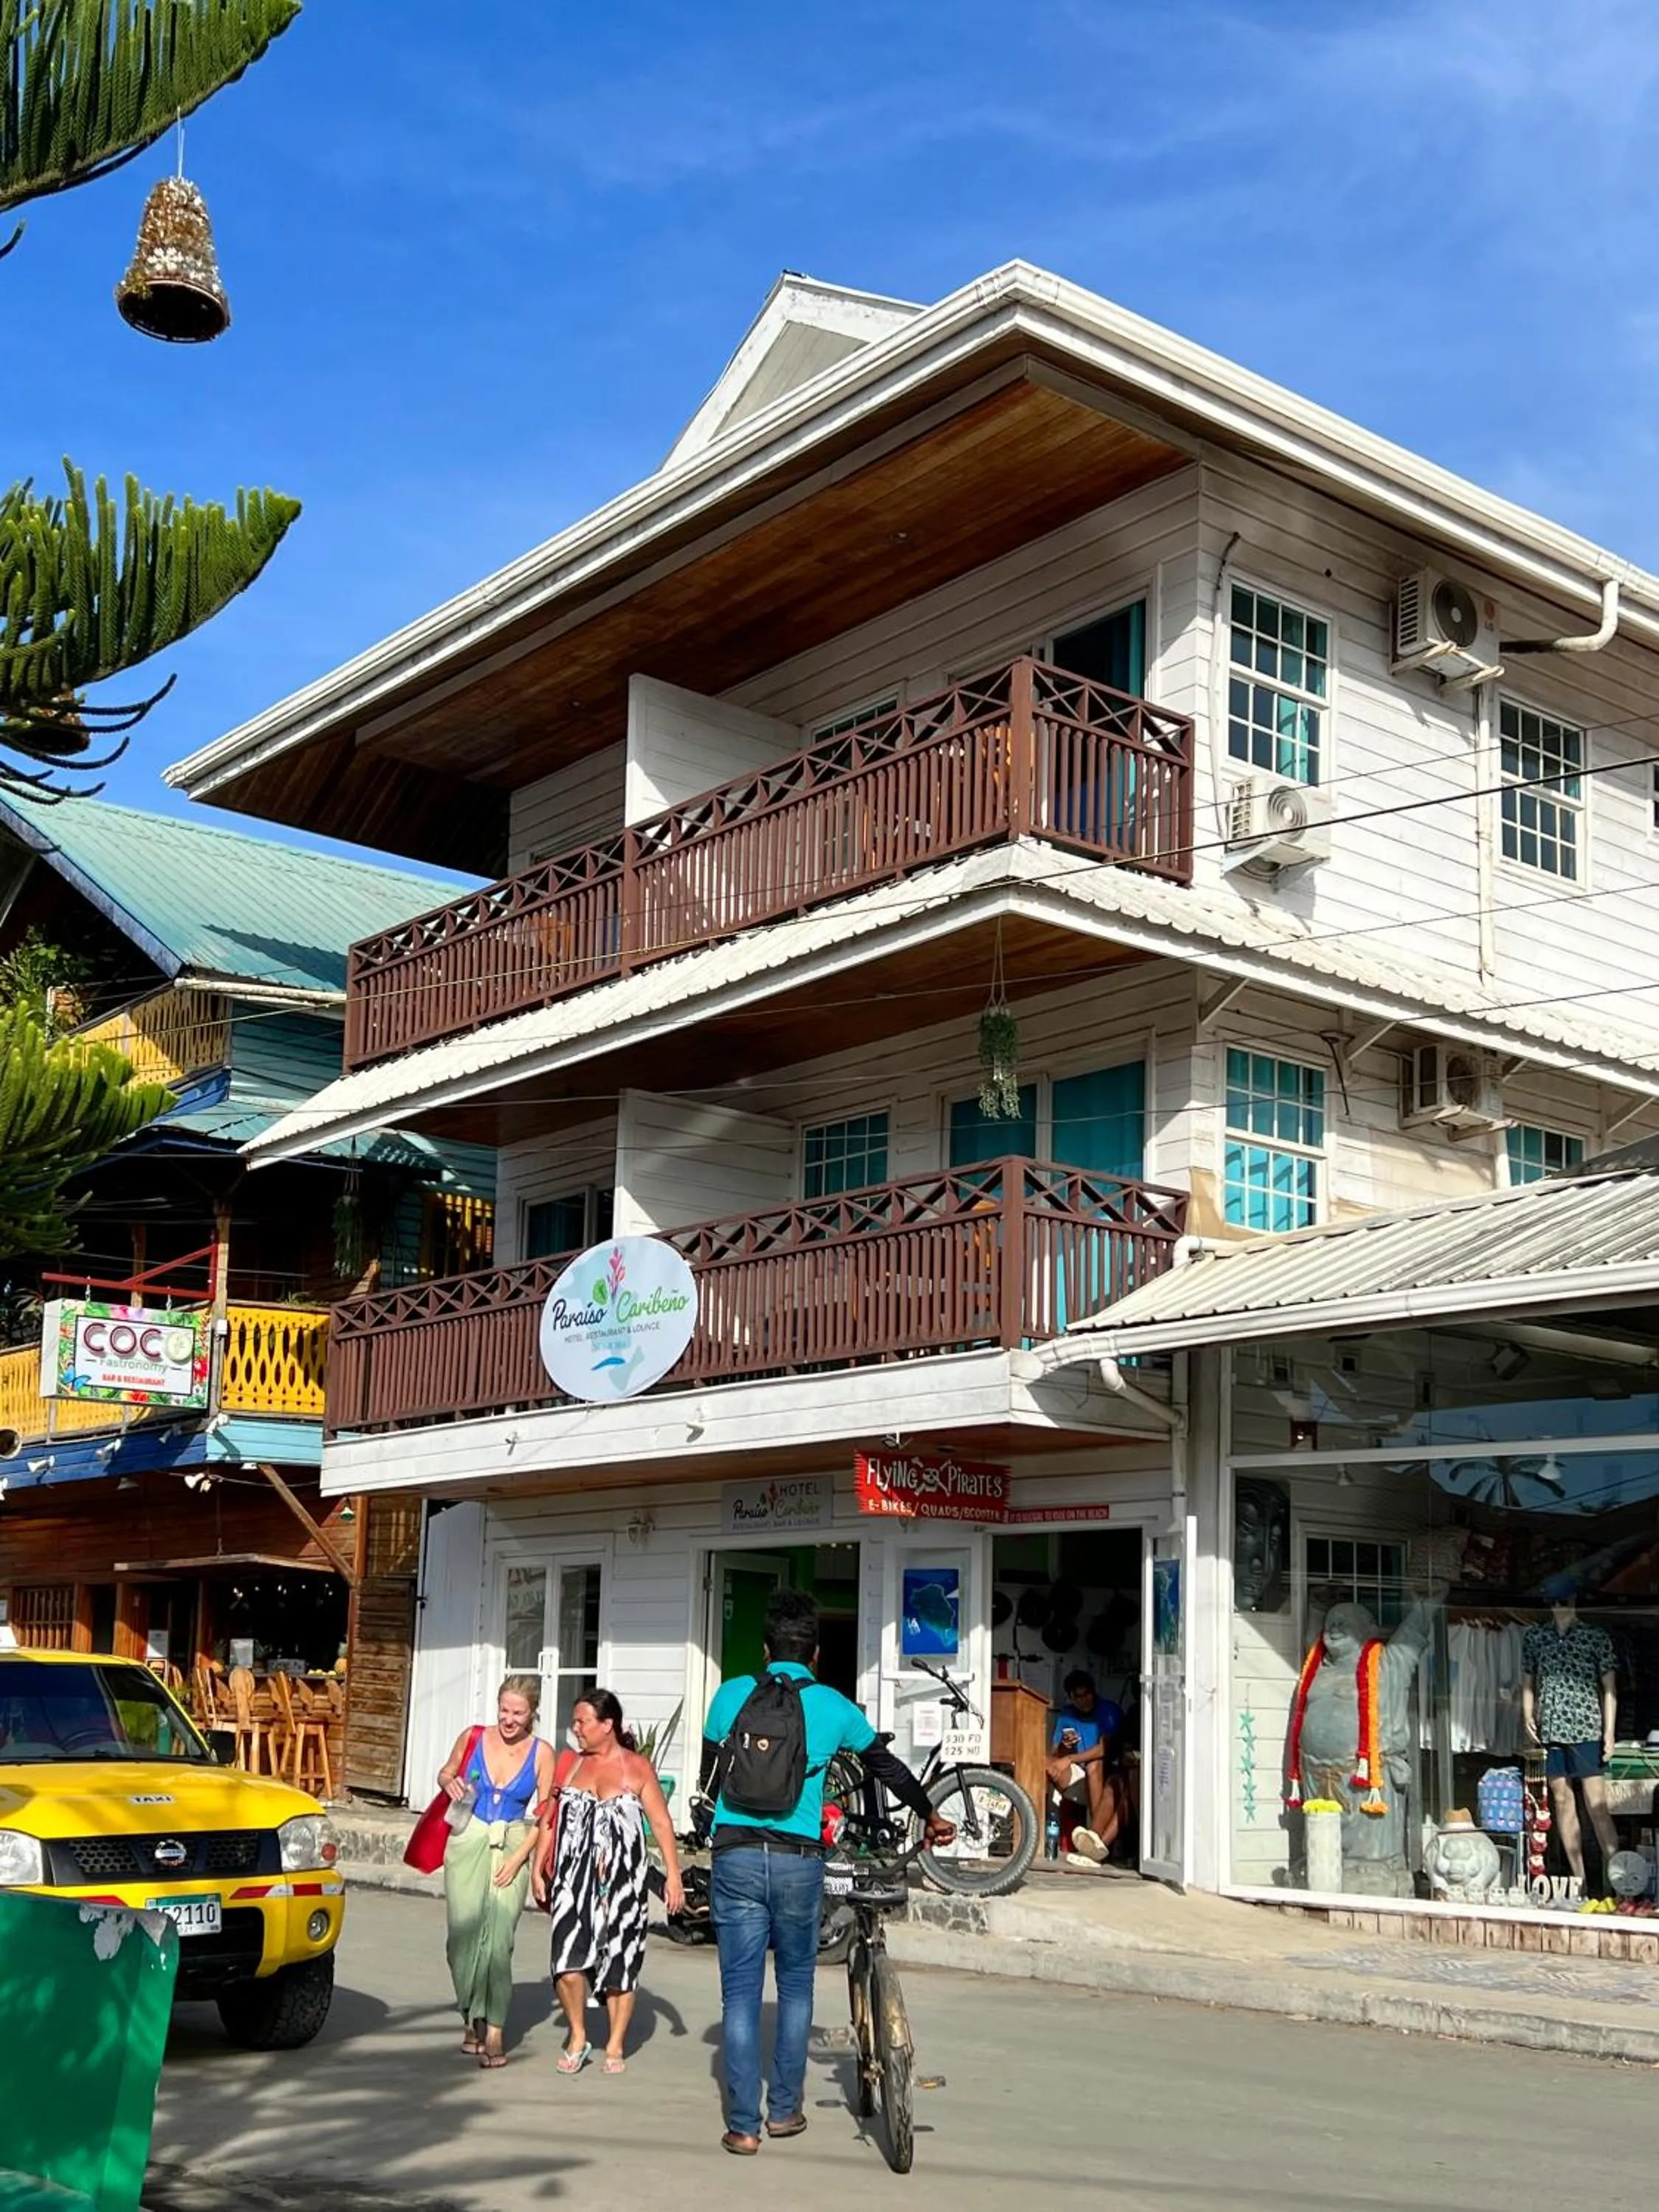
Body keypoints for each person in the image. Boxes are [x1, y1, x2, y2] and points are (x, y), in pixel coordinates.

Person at [700, 1589, 955, 2157]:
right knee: (795, 1988)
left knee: (739, 1998)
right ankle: (785, 2112)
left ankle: (743, 2126)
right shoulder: (834, 1706)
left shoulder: (730, 1696)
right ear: (814, 1654)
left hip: (736, 1856)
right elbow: (885, 1767)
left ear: (765, 1649)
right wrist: (930, 1815)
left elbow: (709, 1778)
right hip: (798, 1863)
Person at [531, 1688, 684, 2076]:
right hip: (571, 1880)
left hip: (623, 1885)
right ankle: (579, 2035)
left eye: (583, 1722)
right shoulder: (570, 1766)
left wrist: (674, 1877)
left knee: (622, 1961)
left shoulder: (637, 1767)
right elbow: (550, 1819)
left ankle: (614, 2043)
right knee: (565, 1960)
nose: (576, 1729)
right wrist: (537, 1869)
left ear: (607, 1725)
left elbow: (662, 1824)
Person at [437, 1674, 558, 2067]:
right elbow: (446, 1772)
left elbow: (546, 1815)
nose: (508, 1719)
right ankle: (471, 2016)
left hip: (513, 1844)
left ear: (532, 1714)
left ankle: (495, 2030)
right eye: (504, 1710)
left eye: (518, 1713)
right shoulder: (473, 1736)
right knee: (462, 1938)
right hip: (468, 1839)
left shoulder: (542, 1753)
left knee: (499, 1940)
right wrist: (450, 1782)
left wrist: (522, 1857)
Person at [1523, 1589, 1621, 1897]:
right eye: (1553, 1601)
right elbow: (1527, 1680)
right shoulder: (1536, 1638)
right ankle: (1580, 1884)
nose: (1559, 1606)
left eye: (1564, 1600)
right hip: (1550, 1730)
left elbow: (1610, 1688)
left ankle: (1620, 1882)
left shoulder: (1594, 1636)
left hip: (1587, 1729)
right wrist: (1527, 1713)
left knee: (1597, 1805)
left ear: (1575, 1601)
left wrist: (1609, 1732)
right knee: (1562, 1800)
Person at [1046, 1669, 1130, 1863]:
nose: (1084, 1700)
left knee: (1094, 1765)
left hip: (1107, 1773)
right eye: (1079, 1697)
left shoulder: (1109, 1711)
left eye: (1087, 1694)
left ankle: (1094, 1834)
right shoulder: (1067, 1714)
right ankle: (1039, 1833)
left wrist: (1070, 1759)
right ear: (1071, 1698)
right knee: (1045, 1762)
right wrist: (1065, 1748)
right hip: (1077, 1774)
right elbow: (1055, 1754)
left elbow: (1103, 1750)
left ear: (1094, 1692)